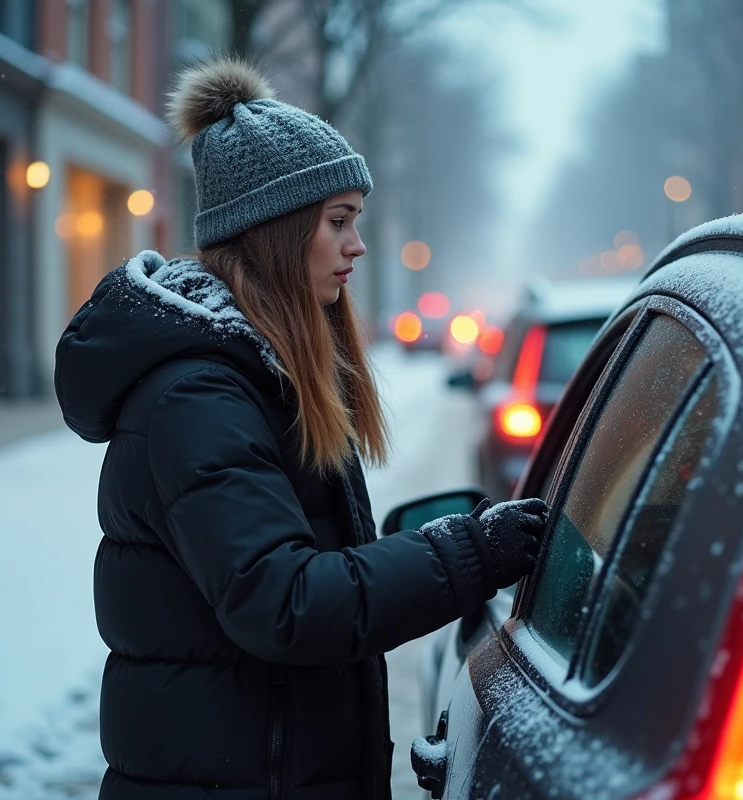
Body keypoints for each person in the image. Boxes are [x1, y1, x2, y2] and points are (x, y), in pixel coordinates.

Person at [54, 56, 548, 800]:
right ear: (277, 232)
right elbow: (286, 602)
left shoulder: (261, 373)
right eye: (338, 222)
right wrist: (470, 551)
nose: (356, 245)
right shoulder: (197, 397)